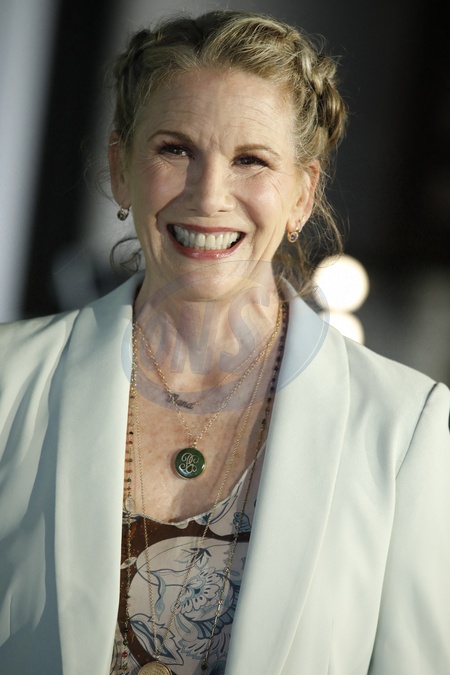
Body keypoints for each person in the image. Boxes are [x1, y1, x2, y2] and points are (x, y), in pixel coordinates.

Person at [0, 10, 449, 675]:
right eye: (175, 149)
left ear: (303, 193)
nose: (209, 196)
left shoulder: (404, 427)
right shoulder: (9, 380)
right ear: (121, 169)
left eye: (251, 160)